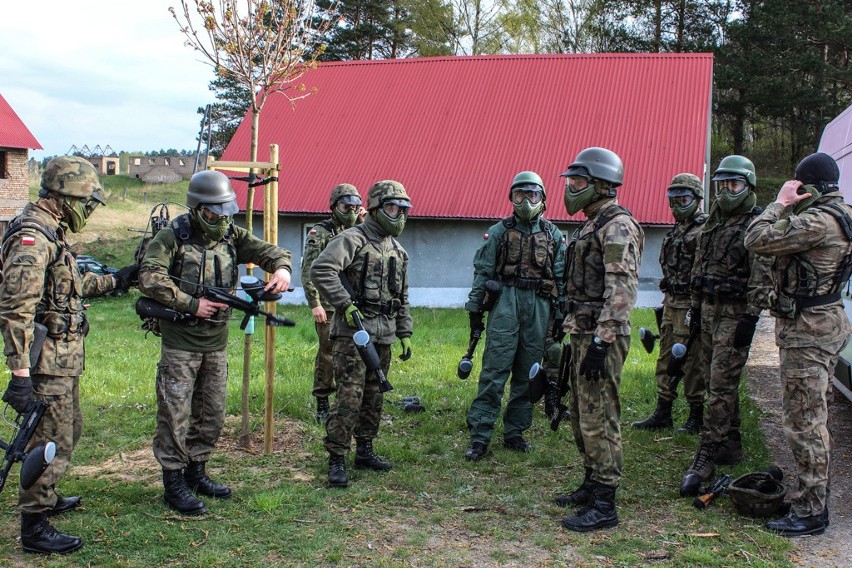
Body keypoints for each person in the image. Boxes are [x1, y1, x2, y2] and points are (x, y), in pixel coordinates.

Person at [0, 156, 138, 555]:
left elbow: (69, 287)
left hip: (63, 361)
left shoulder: (51, 233)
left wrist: (118, 278)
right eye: (86, 202)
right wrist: (20, 375)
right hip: (44, 365)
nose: (88, 211)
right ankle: (34, 524)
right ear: (65, 197)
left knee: (68, 430)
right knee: (48, 442)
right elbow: (15, 310)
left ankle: (48, 496)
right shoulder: (33, 238)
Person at [138, 170, 292, 515]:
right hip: (180, 342)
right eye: (213, 213)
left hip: (216, 342)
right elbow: (149, 276)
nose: (221, 220)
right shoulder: (173, 235)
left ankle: (197, 471)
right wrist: (192, 304)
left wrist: (282, 269)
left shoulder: (231, 236)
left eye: (226, 213)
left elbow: (269, 251)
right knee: (175, 413)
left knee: (212, 412)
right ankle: (173, 482)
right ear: (197, 209)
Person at [744, 152, 851, 537]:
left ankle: (811, 510)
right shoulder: (842, 214)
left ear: (808, 187)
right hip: (825, 322)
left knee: (804, 421)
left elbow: (755, 238)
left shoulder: (817, 222)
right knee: (814, 417)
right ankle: (810, 495)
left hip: (809, 330)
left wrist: (780, 202)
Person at [554, 147, 644, 532]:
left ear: (602, 185)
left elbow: (621, 289)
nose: (571, 188)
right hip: (583, 330)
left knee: (600, 416)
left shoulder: (617, 226)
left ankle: (605, 503)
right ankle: (592, 482)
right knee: (581, 412)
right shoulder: (591, 223)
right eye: (571, 181)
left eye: (578, 181)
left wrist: (602, 343)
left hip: (601, 335)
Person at [679, 155, 772, 496]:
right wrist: (693, 310)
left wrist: (751, 317)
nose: (726, 191)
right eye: (722, 184)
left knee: (719, 385)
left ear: (748, 187)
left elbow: (762, 276)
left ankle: (707, 454)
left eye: (733, 184)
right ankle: (731, 442)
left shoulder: (756, 225)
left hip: (734, 315)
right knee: (711, 378)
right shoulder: (712, 224)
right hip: (707, 311)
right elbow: (697, 269)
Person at [310, 180, 413, 488]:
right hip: (353, 333)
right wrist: (344, 304)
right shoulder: (352, 239)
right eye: (393, 208)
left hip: (384, 332)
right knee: (349, 397)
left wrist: (405, 331)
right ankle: (337, 458)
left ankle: (365, 449)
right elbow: (322, 269)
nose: (399, 215)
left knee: (374, 395)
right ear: (378, 209)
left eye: (403, 209)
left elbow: (403, 295)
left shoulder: (398, 250)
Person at [463, 171, 567, 462]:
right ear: (511, 198)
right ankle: (480, 435)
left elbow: (560, 277)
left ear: (542, 199)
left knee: (528, 372)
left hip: (539, 306)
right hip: (505, 304)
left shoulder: (553, 235)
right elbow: (483, 271)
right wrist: (475, 310)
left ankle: (515, 433)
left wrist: (559, 317)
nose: (526, 201)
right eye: (520, 195)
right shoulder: (498, 232)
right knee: (495, 370)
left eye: (532, 195)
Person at [633, 173, 708, 433]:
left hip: (691, 304)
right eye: (673, 199)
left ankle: (696, 416)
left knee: (691, 360)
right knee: (666, 357)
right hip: (671, 302)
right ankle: (663, 412)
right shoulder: (676, 230)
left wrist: (697, 307)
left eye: (683, 199)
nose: (677, 205)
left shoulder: (704, 230)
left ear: (697, 199)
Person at [300, 183, 364, 423]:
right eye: (347, 207)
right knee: (328, 353)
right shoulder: (321, 232)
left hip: (352, 302)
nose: (352, 211)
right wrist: (314, 303)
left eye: (356, 207)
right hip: (327, 303)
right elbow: (309, 270)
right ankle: (323, 401)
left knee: (353, 352)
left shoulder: (361, 230)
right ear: (335, 206)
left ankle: (348, 400)